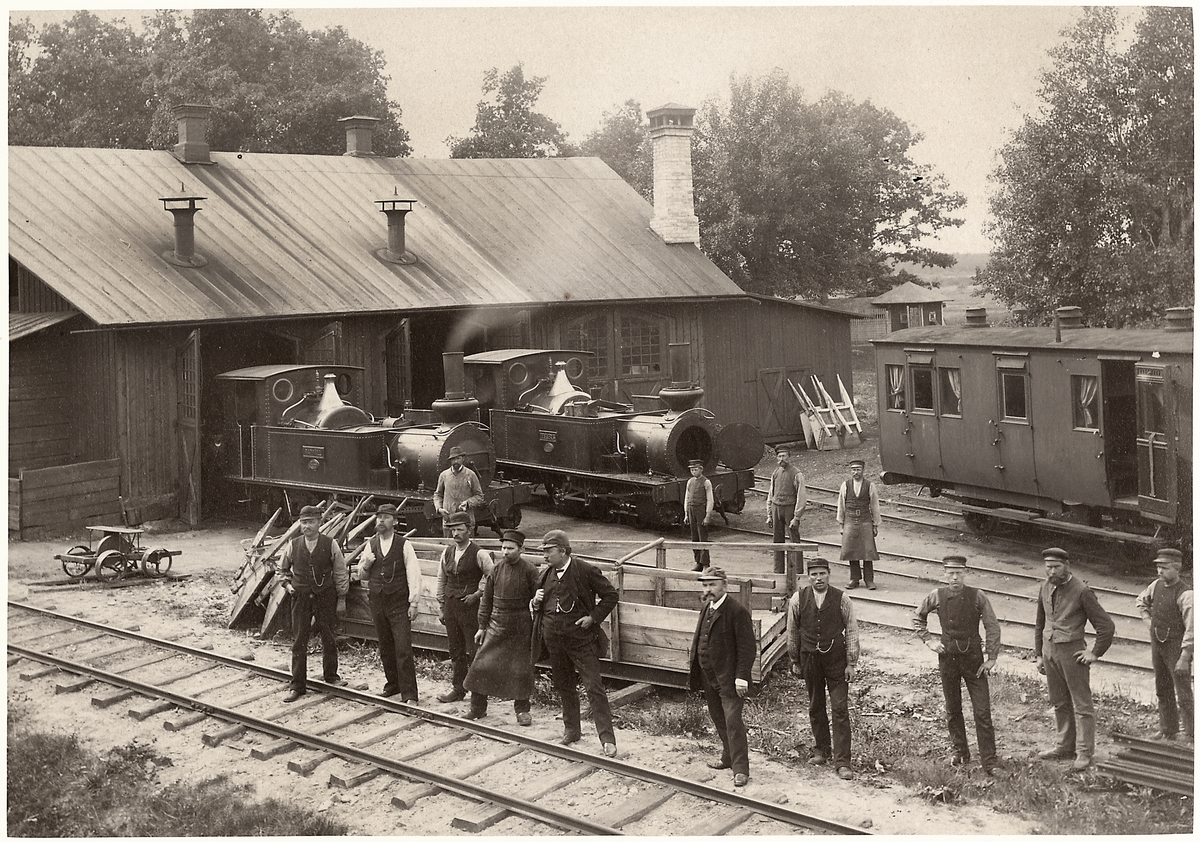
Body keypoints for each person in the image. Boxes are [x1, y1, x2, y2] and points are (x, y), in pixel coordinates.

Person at [531, 529, 619, 756]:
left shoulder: (585, 570)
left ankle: (607, 740)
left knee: (593, 687)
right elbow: (539, 606)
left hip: (581, 640)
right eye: (544, 552)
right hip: (554, 640)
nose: (545, 556)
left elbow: (611, 595)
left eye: (549, 551)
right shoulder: (544, 574)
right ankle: (572, 731)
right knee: (564, 686)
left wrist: (593, 617)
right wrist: (535, 601)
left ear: (563, 551)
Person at [913, 555, 1002, 774]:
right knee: (953, 709)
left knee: (982, 711)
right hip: (948, 659)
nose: (955, 577)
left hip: (974, 660)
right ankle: (960, 753)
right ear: (944, 573)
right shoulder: (937, 595)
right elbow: (918, 617)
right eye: (951, 573)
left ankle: (989, 762)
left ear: (965, 573)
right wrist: (929, 640)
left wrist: (991, 657)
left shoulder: (977, 596)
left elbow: (992, 625)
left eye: (959, 573)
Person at [1034, 546, 1116, 770]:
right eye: (1048, 567)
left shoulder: (1082, 591)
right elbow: (1040, 623)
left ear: (1067, 566)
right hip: (1050, 652)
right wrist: (1039, 655)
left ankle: (1084, 752)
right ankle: (1064, 746)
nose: (1051, 571)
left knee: (1081, 704)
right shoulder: (1045, 586)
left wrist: (1095, 653)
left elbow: (1106, 627)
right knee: (1059, 701)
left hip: (1073, 655)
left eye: (1056, 567)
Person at [787, 556, 859, 780]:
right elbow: (792, 632)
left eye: (822, 574)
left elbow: (852, 632)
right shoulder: (798, 599)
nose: (818, 578)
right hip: (810, 660)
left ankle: (843, 762)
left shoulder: (842, 599)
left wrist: (851, 663)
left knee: (839, 709)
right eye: (814, 574)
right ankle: (821, 750)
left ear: (829, 574)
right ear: (808, 577)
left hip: (836, 661)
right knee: (815, 705)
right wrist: (795, 660)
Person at [462, 529, 541, 724]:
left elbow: (537, 600)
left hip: (521, 626)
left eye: (510, 548)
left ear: (521, 549)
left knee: (521, 669)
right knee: (481, 665)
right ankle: (477, 708)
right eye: (503, 548)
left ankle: (522, 710)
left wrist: (535, 605)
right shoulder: (496, 569)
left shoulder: (530, 570)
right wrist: (482, 627)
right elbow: (486, 600)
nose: (505, 552)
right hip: (496, 624)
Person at [688, 566, 755, 787]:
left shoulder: (737, 611)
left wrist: (742, 676)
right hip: (709, 675)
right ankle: (728, 758)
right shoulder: (706, 608)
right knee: (718, 718)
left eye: (712, 585)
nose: (708, 590)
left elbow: (747, 648)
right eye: (705, 585)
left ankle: (741, 770)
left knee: (733, 722)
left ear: (725, 586)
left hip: (730, 678)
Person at [278, 504, 349, 702]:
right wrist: (288, 587)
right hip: (300, 598)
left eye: (310, 522)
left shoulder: (330, 544)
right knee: (299, 640)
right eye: (303, 522)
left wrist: (341, 598)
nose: (306, 526)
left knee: (328, 636)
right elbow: (281, 570)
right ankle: (297, 686)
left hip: (325, 596)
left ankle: (331, 677)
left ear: (319, 523)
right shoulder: (293, 545)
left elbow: (341, 572)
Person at [356, 503, 422, 702]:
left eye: (385, 517)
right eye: (379, 517)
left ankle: (410, 693)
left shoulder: (404, 544)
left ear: (394, 521)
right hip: (377, 601)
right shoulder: (371, 543)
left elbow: (414, 574)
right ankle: (393, 685)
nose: (380, 521)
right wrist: (366, 564)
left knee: (402, 648)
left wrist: (414, 603)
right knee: (385, 646)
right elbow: (362, 575)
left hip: (398, 603)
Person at [1134, 547, 1193, 741]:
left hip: (1177, 647)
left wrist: (1184, 657)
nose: (1160, 572)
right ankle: (1168, 729)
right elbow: (1141, 601)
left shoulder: (1186, 595)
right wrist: (1148, 622)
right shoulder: (1155, 585)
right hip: (1158, 645)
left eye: (1165, 568)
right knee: (1162, 687)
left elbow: (1193, 629)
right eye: (1158, 567)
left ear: (1177, 569)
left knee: (1183, 691)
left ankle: (1192, 733)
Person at [436, 511, 493, 703]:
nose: (455, 534)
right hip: (452, 607)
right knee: (456, 651)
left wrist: (478, 593)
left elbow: (491, 577)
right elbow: (442, 578)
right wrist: (442, 605)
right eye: (452, 530)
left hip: (472, 610)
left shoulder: (480, 553)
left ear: (469, 530)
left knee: (475, 651)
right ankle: (458, 689)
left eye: (460, 530)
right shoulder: (447, 552)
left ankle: (479, 693)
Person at [837, 458, 881, 590]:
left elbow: (874, 505)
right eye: (853, 470)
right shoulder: (845, 485)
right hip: (850, 520)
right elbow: (841, 505)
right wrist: (841, 524)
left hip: (865, 520)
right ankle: (854, 579)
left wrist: (875, 524)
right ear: (850, 471)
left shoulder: (869, 485)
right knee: (851, 550)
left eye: (858, 469)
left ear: (863, 470)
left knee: (868, 551)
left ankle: (869, 580)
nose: (855, 472)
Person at [765, 445, 806, 574]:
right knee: (777, 541)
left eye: (784, 456)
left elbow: (801, 496)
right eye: (779, 456)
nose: (781, 459)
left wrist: (796, 517)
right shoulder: (775, 473)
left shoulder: (797, 474)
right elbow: (771, 493)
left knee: (794, 541)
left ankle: (797, 572)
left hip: (790, 509)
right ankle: (778, 571)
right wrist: (769, 514)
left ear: (789, 457)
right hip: (776, 508)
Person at [434, 445, 485, 536]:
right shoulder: (444, 475)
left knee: (467, 548)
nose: (456, 461)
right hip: (449, 521)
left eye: (458, 458)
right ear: (450, 461)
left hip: (466, 522)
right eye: (453, 459)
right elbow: (437, 495)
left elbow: (479, 496)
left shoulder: (470, 475)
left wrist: (468, 502)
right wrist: (439, 509)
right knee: (449, 548)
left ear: (463, 459)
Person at [683, 459, 716, 572]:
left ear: (701, 469)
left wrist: (707, 515)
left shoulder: (706, 482)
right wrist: (686, 514)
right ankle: (698, 563)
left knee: (703, 537)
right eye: (692, 470)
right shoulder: (690, 482)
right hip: (691, 510)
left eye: (695, 469)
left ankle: (706, 564)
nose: (693, 472)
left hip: (701, 510)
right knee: (694, 538)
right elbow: (687, 498)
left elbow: (710, 499)